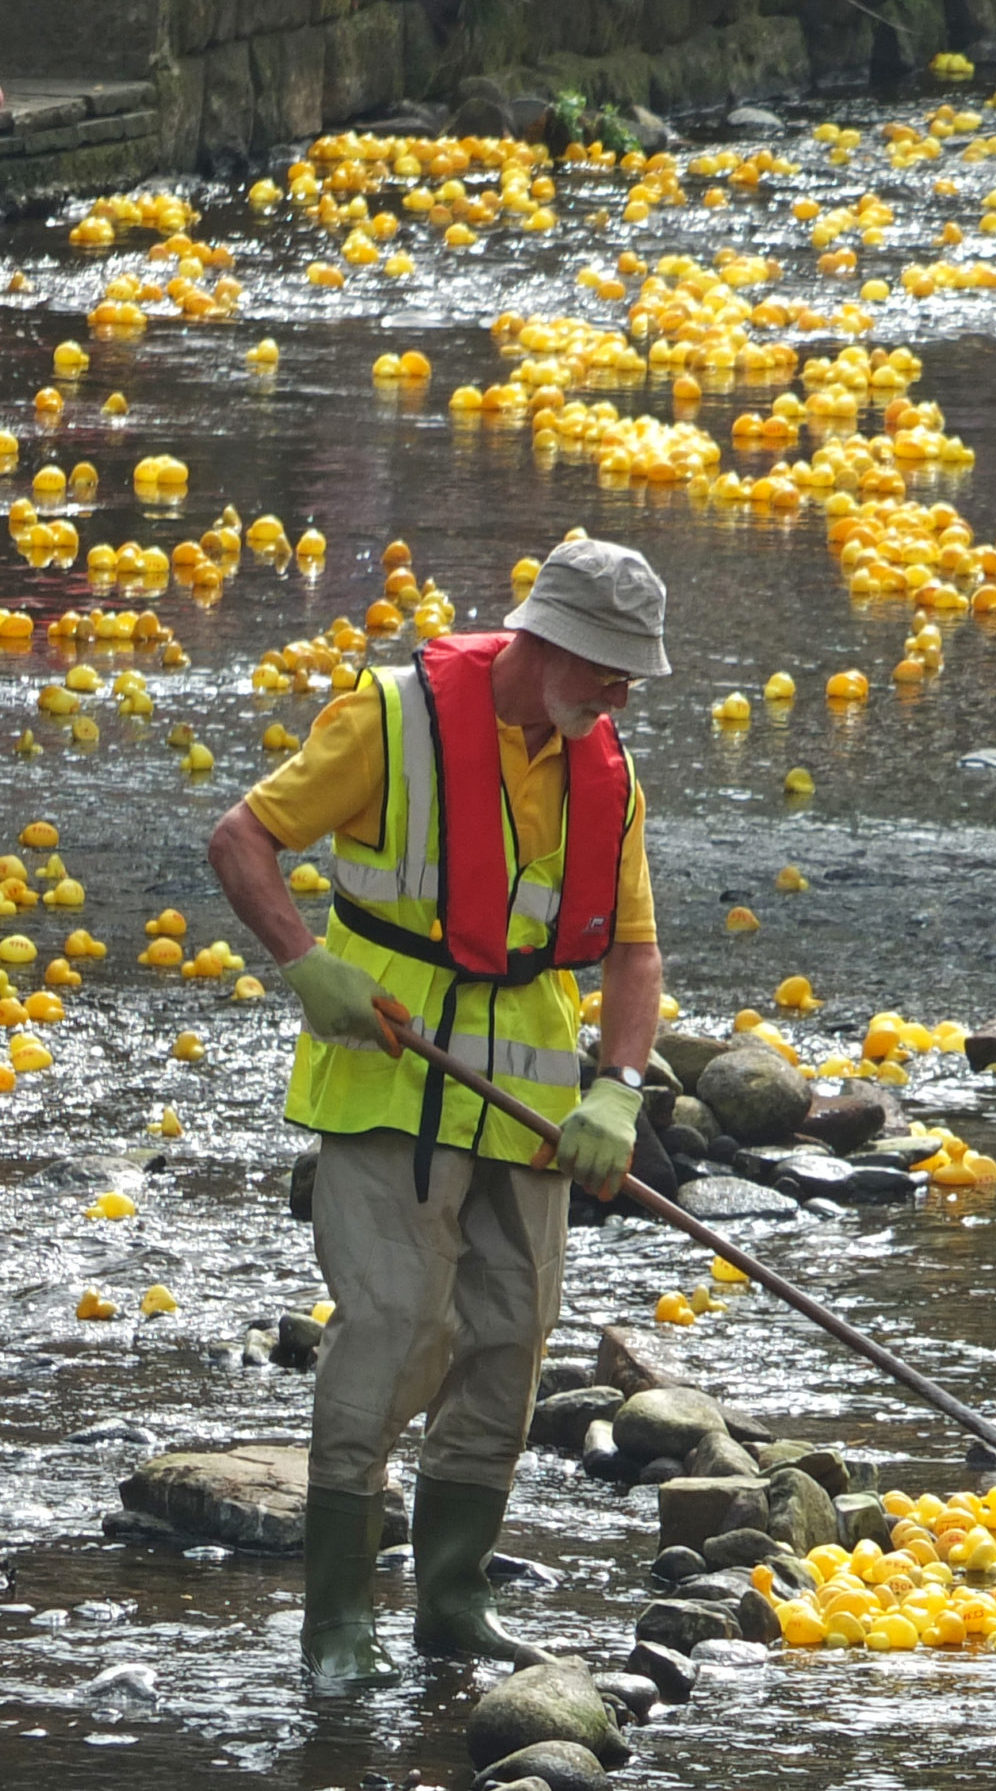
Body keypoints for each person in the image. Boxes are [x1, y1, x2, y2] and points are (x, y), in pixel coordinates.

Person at [207, 537, 670, 1684]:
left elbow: (634, 953)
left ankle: (451, 1605)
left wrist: (617, 1088)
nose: (620, 693)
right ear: (546, 640)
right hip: (389, 1093)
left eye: (628, 676)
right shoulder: (387, 721)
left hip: (527, 1110)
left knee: (510, 1345)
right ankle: (337, 1628)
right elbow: (242, 838)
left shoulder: (601, 769)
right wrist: (303, 960)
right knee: (395, 1334)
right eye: (608, 668)